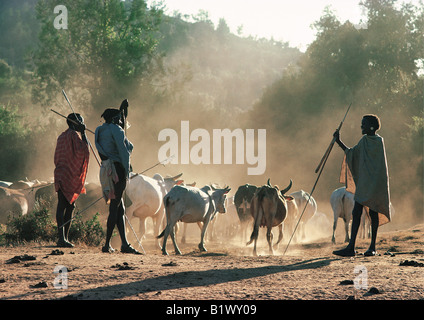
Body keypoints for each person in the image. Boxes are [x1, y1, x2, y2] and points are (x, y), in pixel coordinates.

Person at [332, 114, 391, 257]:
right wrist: (338, 141)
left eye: (363, 124)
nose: (361, 126)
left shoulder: (378, 141)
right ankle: (351, 247)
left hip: (376, 183)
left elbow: (379, 166)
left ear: (371, 126)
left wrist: (338, 141)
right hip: (365, 183)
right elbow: (353, 154)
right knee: (356, 211)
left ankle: (372, 247)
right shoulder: (364, 141)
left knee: (373, 212)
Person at [95, 99, 140, 254]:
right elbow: (125, 150)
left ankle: (124, 244)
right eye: (119, 118)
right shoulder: (117, 130)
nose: (122, 120)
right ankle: (107, 244)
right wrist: (127, 170)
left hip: (105, 168)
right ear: (115, 119)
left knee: (119, 206)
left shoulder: (100, 130)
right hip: (117, 170)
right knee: (115, 207)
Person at [54, 113, 90, 247]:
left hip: (60, 173)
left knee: (67, 205)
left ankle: (64, 238)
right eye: (80, 121)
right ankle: (62, 238)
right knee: (65, 206)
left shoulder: (62, 136)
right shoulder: (74, 136)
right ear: (75, 123)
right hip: (68, 174)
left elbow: (57, 156)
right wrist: (84, 133)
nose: (82, 123)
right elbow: (84, 151)